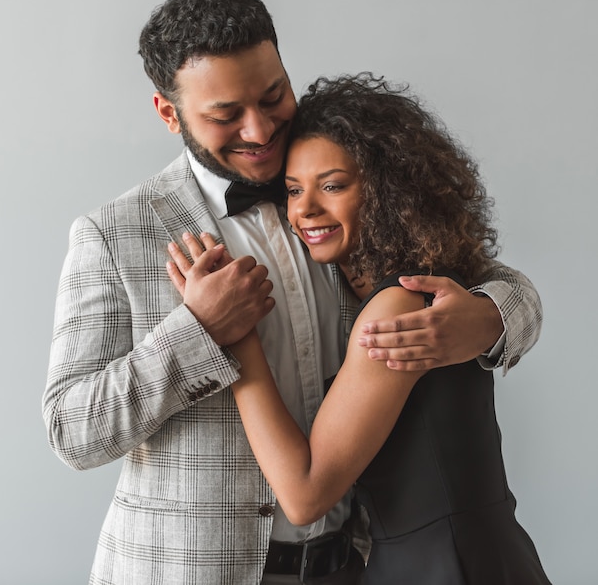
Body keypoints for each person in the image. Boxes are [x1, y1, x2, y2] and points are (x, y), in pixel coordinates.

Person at [42, 0, 542, 585]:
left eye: (273, 95)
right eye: (226, 115)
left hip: (355, 565)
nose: (260, 129)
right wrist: (198, 334)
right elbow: (71, 431)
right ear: (169, 113)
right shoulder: (116, 234)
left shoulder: (330, 185)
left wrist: (492, 317)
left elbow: (491, 276)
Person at [167, 73, 550, 584]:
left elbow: (304, 495)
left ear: (387, 189)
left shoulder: (397, 306)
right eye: (294, 190)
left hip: (445, 566)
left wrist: (233, 334)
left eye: (333, 185)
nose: (304, 211)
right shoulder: (406, 284)